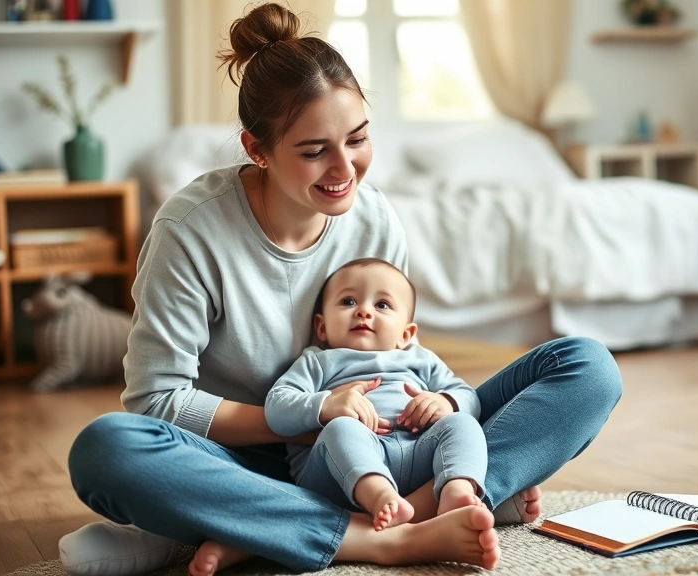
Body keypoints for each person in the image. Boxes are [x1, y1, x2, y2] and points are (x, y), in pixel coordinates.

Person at [58, 3, 623, 576]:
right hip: (242, 461)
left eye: (357, 138)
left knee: (587, 367)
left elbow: (400, 357)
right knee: (107, 449)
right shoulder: (190, 231)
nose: (344, 168)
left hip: (383, 452)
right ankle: (387, 538)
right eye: (313, 151)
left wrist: (438, 409)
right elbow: (158, 400)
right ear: (257, 149)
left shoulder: (374, 218)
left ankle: (292, 524)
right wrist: (313, 418)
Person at [192, 259, 489, 575]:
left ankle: (456, 491)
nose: (364, 311)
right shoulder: (318, 362)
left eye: (383, 304)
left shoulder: (420, 359)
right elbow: (277, 407)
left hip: (415, 451)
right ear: (322, 327)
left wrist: (444, 401)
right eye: (348, 301)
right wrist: (327, 405)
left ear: (406, 333)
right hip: (335, 471)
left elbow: (468, 396)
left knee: (463, 424)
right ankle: (381, 497)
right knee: (343, 427)